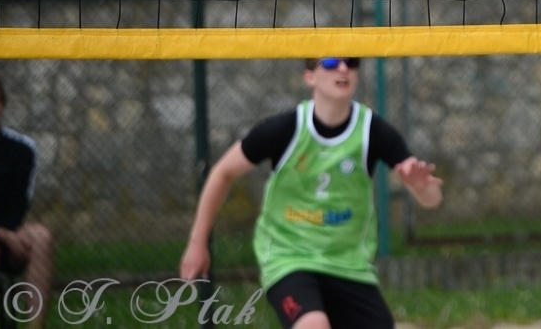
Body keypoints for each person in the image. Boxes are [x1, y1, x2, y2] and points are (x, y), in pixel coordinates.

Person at [179, 58, 443, 329]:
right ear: (310, 77)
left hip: (348, 264)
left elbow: (433, 200)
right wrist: (197, 242)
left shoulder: (372, 131)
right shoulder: (284, 129)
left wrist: (420, 186)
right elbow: (222, 172)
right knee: (313, 325)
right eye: (330, 62)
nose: (343, 68)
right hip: (289, 257)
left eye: (351, 62)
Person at [0, 74, 53, 328]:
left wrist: (3, 237)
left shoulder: (21, 149)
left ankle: (34, 325)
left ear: (3, 105)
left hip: (10, 235)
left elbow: (19, 202)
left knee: (42, 238)